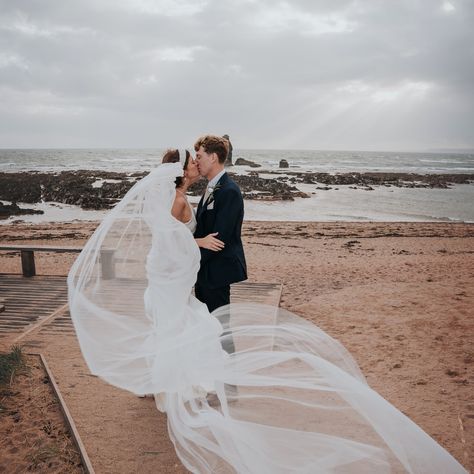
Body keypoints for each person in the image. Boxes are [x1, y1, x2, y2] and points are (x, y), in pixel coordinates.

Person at [68, 159, 467, 473]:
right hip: (173, 278)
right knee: (194, 326)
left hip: (174, 278)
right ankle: (180, 381)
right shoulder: (182, 198)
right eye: (191, 163)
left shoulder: (203, 192)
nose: (196, 164)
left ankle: (174, 381)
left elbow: (188, 234)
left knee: (188, 325)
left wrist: (195, 241)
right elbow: (174, 238)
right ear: (180, 174)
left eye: (199, 159)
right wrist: (197, 240)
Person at [193, 135, 247, 315]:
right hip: (206, 273)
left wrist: (192, 260)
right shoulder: (212, 187)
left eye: (199, 156)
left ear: (213, 157)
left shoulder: (229, 191)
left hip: (217, 273)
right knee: (206, 328)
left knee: (220, 329)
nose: (196, 161)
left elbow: (219, 238)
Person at [161, 148, 224, 252]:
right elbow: (168, 241)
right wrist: (201, 242)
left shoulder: (181, 196)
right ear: (184, 172)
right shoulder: (178, 201)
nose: (196, 163)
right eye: (192, 162)